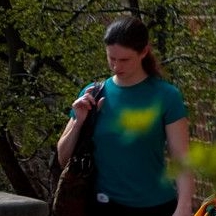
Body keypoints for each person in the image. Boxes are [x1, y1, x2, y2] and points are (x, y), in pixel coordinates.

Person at [57, 16, 194, 216]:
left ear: (144, 52)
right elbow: (64, 159)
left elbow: (182, 158)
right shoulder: (93, 94)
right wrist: (79, 122)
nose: (116, 66)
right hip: (102, 205)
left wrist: (184, 207)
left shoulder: (166, 96)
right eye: (111, 58)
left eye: (124, 60)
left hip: (155, 205)